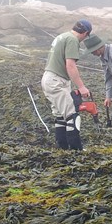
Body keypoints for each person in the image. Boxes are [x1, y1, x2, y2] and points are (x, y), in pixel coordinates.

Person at [41, 19, 93, 151]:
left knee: (60, 115)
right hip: (57, 81)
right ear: (85, 33)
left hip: (49, 78)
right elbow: (70, 65)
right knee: (72, 114)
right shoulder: (72, 40)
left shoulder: (62, 36)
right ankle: (77, 150)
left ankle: (62, 148)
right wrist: (81, 87)